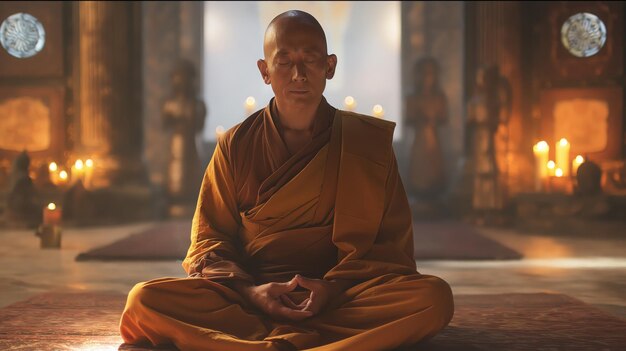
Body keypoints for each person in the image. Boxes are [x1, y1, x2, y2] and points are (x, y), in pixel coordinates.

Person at [120, 10, 453, 351]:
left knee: (434, 297)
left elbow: (392, 248)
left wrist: (331, 289)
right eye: (284, 62)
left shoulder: (366, 142)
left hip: (341, 296)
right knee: (143, 300)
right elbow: (209, 241)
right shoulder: (236, 145)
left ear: (330, 66)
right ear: (265, 71)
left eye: (310, 60)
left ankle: (257, 345)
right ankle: (327, 344)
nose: (298, 74)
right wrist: (252, 293)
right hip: (249, 299)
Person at [405, 57, 448, 199]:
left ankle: (433, 191)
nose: (427, 78)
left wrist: (433, 120)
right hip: (419, 141)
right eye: (424, 73)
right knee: (419, 168)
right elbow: (408, 119)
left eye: (430, 74)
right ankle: (419, 191)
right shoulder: (413, 98)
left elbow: (443, 118)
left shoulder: (439, 97)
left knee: (434, 168)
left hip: (433, 141)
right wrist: (420, 119)